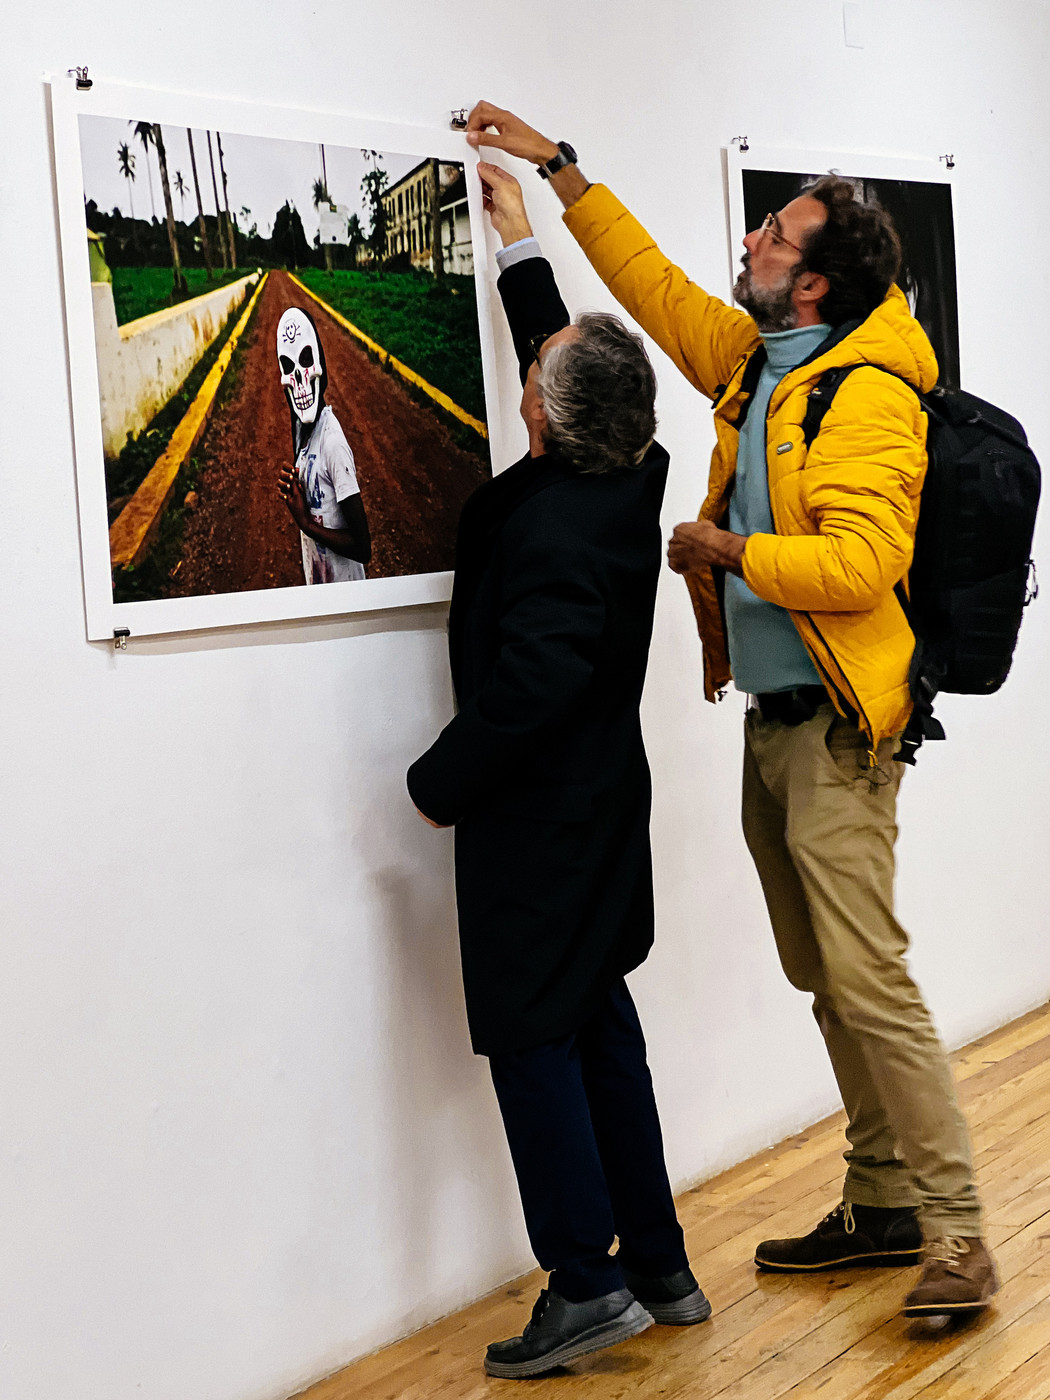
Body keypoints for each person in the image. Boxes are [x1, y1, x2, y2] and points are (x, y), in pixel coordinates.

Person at [462, 102, 997, 1322]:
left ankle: (961, 1233)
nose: (751, 236)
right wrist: (557, 174)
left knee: (871, 977)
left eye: (773, 231)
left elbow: (862, 564)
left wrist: (725, 546)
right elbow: (648, 287)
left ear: (811, 284)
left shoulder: (864, 396)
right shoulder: (761, 363)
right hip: (777, 717)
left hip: (844, 732)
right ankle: (881, 1200)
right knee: (825, 970)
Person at [407, 163, 709, 1379]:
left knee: (534, 1043)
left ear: (542, 416)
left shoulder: (547, 528)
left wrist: (438, 781)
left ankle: (584, 1284)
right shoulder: (629, 469)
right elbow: (575, 365)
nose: (530, 374)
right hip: (603, 812)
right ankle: (661, 1263)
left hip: (534, 824)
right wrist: (520, 240)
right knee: (600, 1025)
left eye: (536, 376)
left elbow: (530, 688)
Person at [275, 306, 371, 584]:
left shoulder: (332, 442)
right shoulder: (302, 431)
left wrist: (305, 523)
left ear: (320, 366)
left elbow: (363, 547)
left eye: (306, 361)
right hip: (321, 587)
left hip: (346, 598)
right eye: (288, 368)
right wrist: (295, 489)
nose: (300, 381)